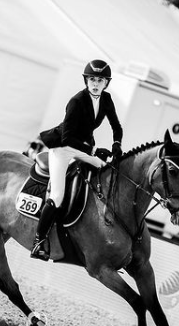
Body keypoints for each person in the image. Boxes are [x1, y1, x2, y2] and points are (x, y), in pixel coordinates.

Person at [30, 59, 124, 261]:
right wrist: (94, 151)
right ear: (86, 80)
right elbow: (68, 139)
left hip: (83, 147)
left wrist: (117, 143)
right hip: (63, 149)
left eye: (100, 79)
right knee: (57, 196)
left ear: (106, 83)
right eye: (92, 79)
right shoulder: (76, 101)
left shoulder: (106, 100)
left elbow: (117, 126)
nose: (96, 83)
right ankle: (39, 240)